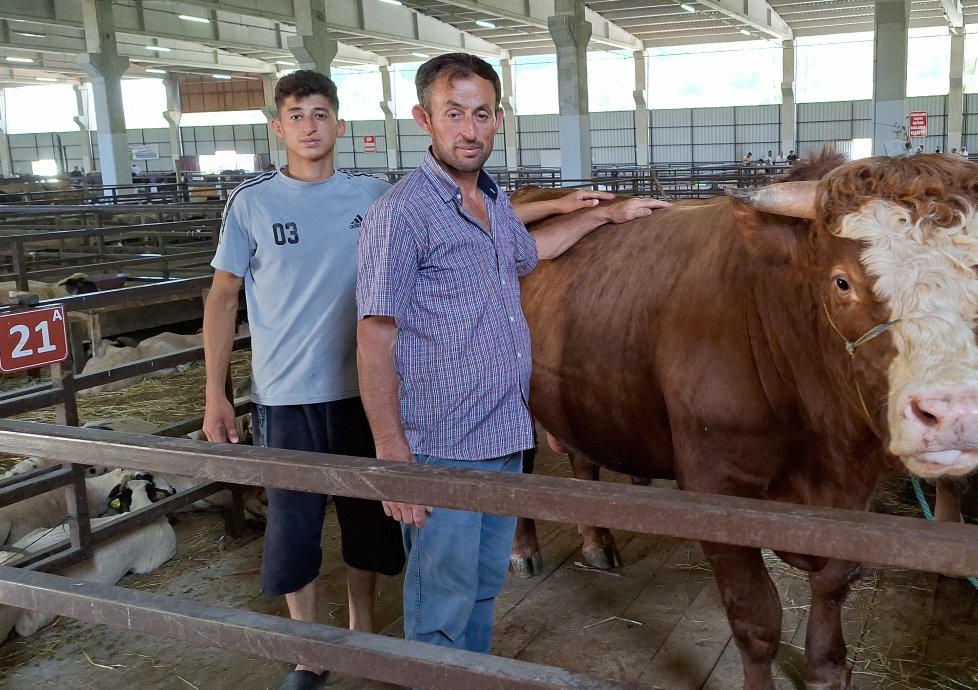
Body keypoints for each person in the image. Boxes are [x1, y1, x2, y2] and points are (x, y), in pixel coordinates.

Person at [355, 53, 666, 656]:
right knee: (442, 595)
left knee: (480, 587)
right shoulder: (400, 214)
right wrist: (393, 455)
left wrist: (610, 215)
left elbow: (534, 250)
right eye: (453, 114)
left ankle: (468, 675)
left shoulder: (493, 203)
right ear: (424, 119)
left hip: (503, 438)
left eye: (480, 114)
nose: (469, 130)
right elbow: (374, 334)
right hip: (439, 445)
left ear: (499, 119)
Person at [202, 70, 406, 690]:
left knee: (367, 521)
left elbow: (451, 225)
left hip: (363, 393)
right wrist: (216, 391)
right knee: (294, 529)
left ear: (340, 125)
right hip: (285, 396)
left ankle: (364, 635)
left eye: (321, 114)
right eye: (297, 115)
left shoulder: (374, 194)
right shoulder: (253, 203)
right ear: (277, 128)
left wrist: (556, 206)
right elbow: (223, 295)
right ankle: (309, 651)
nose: (310, 126)